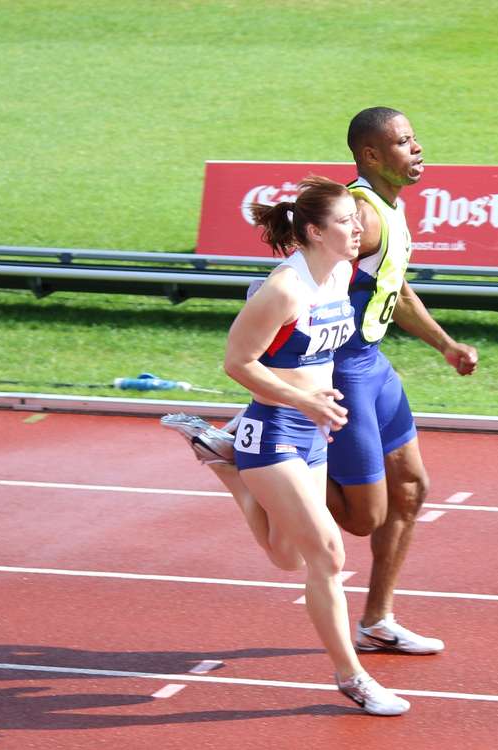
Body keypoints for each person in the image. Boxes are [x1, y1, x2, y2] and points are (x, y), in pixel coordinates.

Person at [163, 175, 410, 716]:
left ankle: (225, 466)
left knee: (284, 555)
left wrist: (326, 400)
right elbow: (236, 363)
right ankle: (352, 677)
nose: (359, 227)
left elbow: (319, 349)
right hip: (274, 431)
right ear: (316, 232)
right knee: (327, 553)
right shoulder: (284, 289)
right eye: (347, 220)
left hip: (312, 429)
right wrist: (304, 402)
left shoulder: (342, 273)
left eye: (358, 218)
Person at [321, 106, 478, 654]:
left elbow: (398, 290)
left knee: (410, 490)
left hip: (373, 365)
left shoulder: (390, 207)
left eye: (415, 139)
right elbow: (301, 283)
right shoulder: (359, 216)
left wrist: (445, 345)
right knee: (365, 518)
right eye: (404, 142)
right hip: (340, 370)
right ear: (370, 155)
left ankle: (376, 621)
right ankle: (262, 458)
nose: (417, 149)